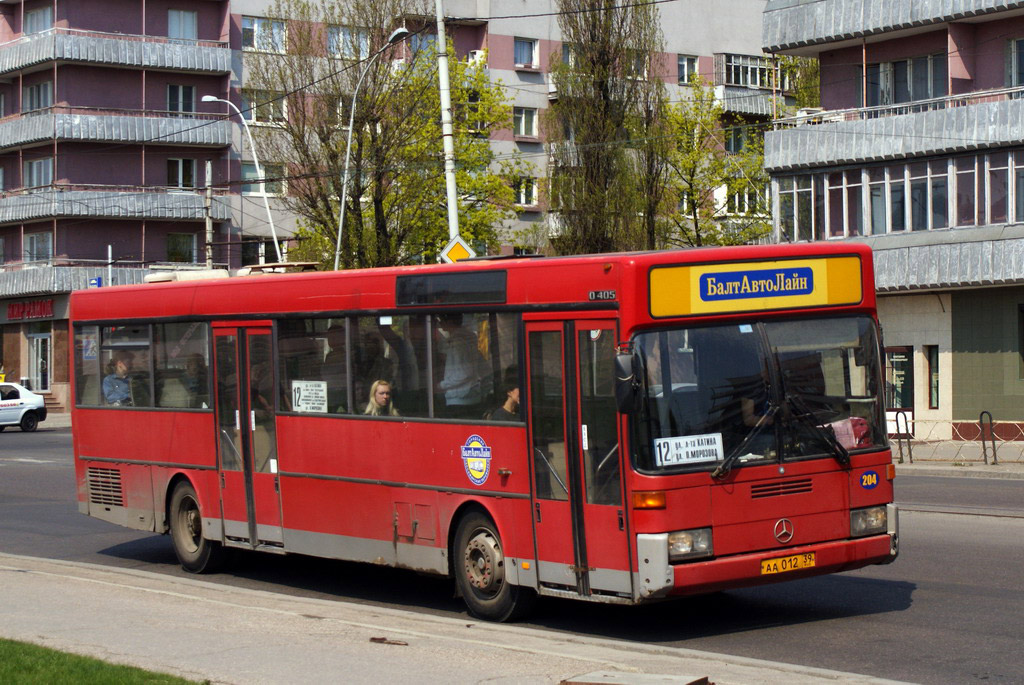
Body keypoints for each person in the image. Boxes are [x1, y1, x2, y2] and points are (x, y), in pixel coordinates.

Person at [436, 313, 488, 417]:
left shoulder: (458, 342)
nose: (439, 322)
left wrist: (441, 386)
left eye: (441, 319)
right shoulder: (467, 339)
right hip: (469, 396)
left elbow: (464, 373)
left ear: (449, 322)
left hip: (460, 400)